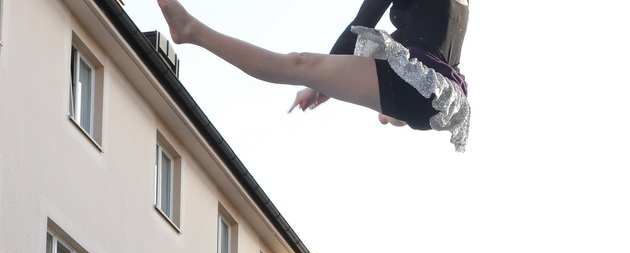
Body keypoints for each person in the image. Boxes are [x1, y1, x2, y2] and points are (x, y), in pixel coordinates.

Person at [156, 0, 471, 152]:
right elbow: (366, 23)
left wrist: (321, 80)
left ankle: (191, 31)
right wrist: (326, 81)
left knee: (298, 64)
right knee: (309, 65)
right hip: (436, 96)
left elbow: (363, 24)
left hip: (424, 87)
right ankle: (389, 114)